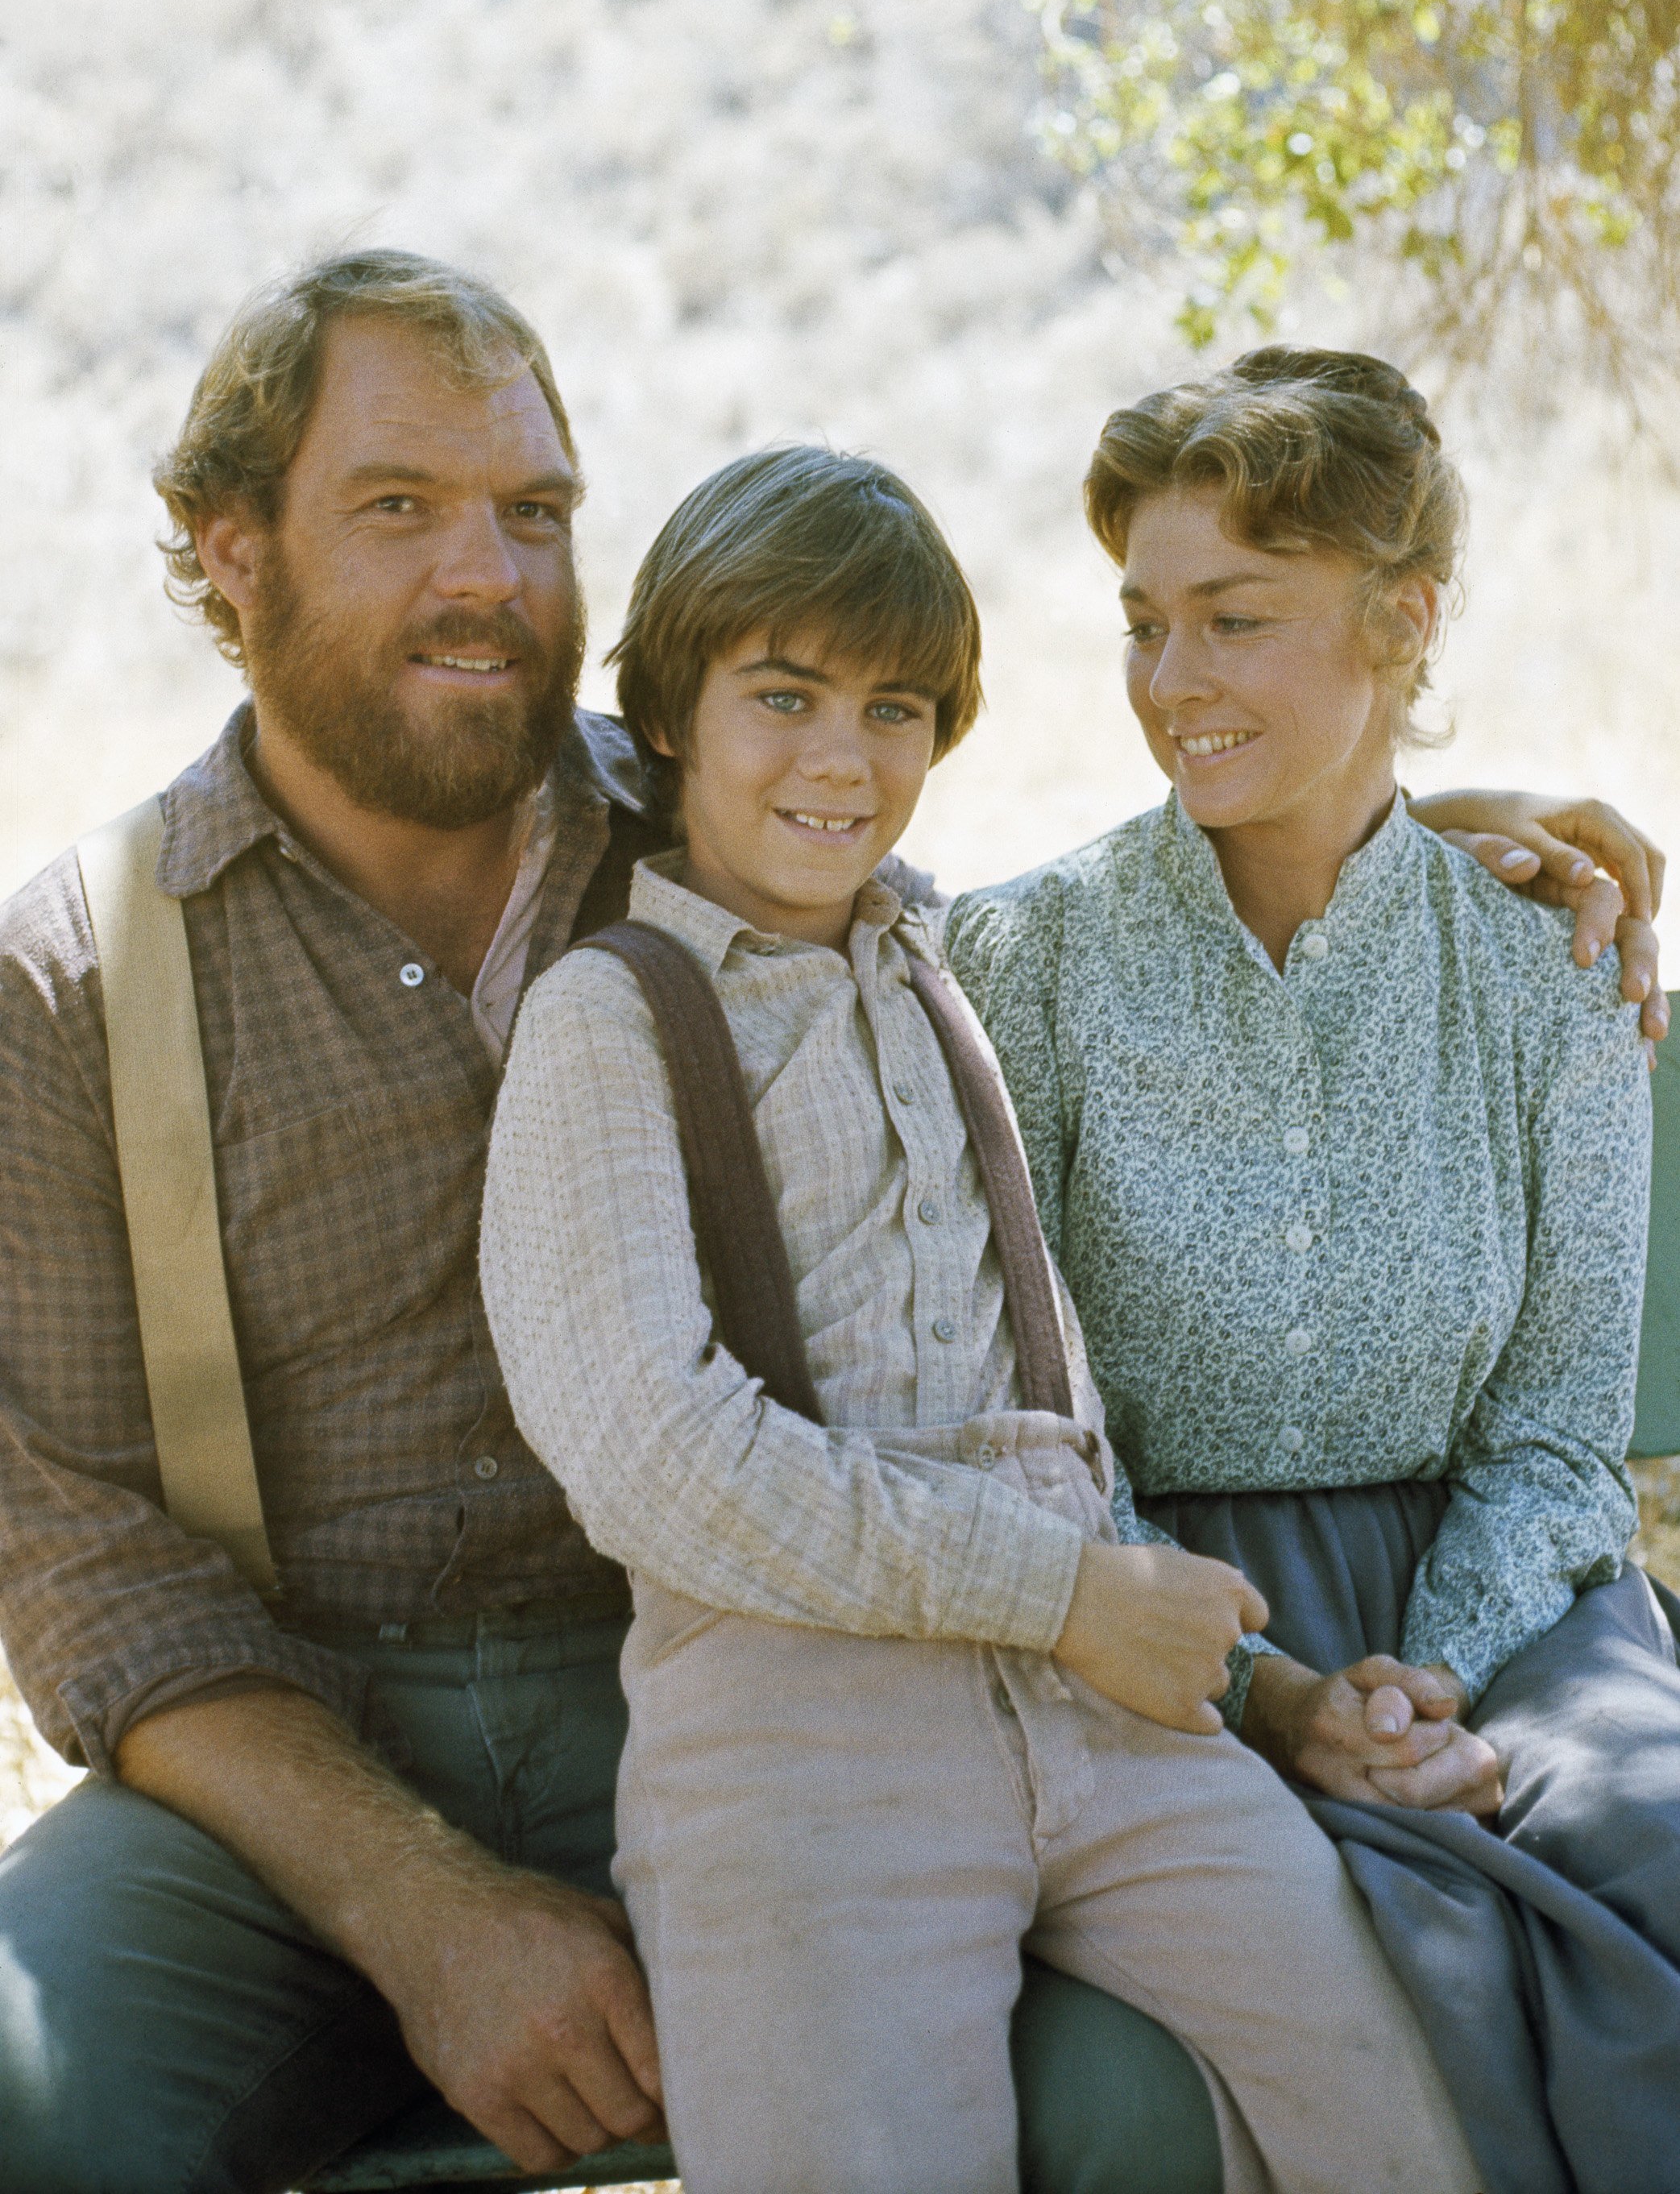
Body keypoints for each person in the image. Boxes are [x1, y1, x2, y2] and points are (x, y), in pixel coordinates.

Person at [0, 247, 1648, 2194]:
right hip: (327, 1742)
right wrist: (416, 1906)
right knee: (37, 2102)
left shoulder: (729, 832)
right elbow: (83, 1555)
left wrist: (1405, 830)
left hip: (834, 1645)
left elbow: (1025, 894)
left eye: (533, 513)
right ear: (229, 551)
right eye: (398, 507)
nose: (486, 573)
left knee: (1149, 2099)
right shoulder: (83, 976)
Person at [479, 442, 1483, 2194]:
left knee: (1402, 2116)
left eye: (892, 710)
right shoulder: (606, 1022)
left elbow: (1209, 876)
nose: (839, 759)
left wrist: (1256, 1690)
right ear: (664, 719)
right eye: (779, 695)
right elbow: (653, 1459)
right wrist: (1069, 1597)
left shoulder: (938, 962)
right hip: (803, 1751)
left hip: (1103, 1721)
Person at [946, 346, 1680, 2191]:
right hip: (1150, 1616)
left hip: (1506, 1602)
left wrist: (1410, 1684)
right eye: (1139, 624)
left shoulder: (1546, 974)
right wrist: (1284, 1694)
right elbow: (1025, 1408)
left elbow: (1556, 1432)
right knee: (1354, 1965)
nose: (1170, 685)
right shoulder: (1024, 965)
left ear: (1399, 618)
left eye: (1232, 620)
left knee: (1659, 1850)